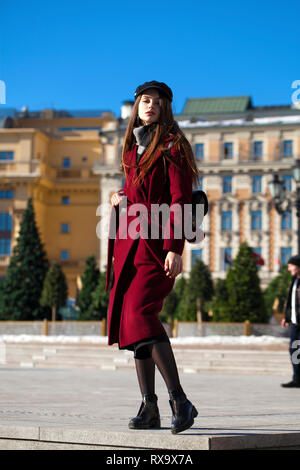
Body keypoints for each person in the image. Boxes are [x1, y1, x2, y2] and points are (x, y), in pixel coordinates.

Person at [105, 81, 199, 434]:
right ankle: (150, 408)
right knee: (131, 324)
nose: (151, 106)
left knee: (139, 314)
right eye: (146, 101)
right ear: (137, 106)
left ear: (166, 108)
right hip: (130, 247)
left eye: (158, 102)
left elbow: (180, 200)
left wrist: (176, 247)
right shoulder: (132, 150)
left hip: (157, 246)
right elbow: (136, 194)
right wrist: (119, 198)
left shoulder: (173, 146)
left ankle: (180, 400)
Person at [281, 254, 300, 388]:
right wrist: (286, 317)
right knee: (294, 350)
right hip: (295, 323)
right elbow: (290, 302)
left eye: (290, 266)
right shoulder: (294, 281)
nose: (288, 269)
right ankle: (297, 378)